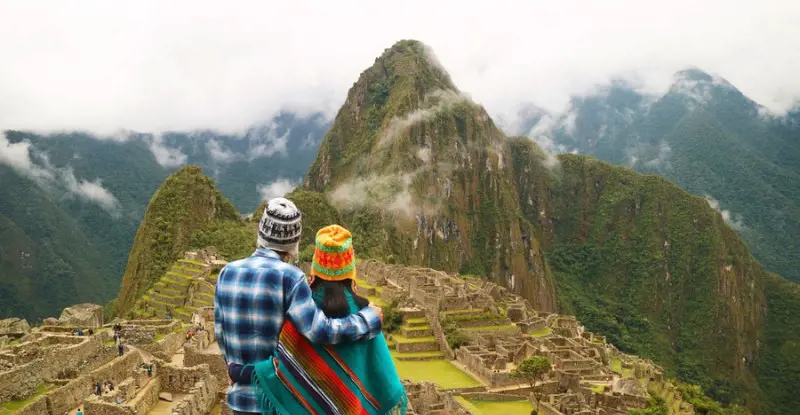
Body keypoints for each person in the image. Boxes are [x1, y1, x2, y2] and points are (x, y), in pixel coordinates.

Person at [215, 198, 384, 415]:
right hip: (276, 402)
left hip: (240, 402)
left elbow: (220, 333)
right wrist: (367, 320)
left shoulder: (226, 272)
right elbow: (320, 331)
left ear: (260, 233)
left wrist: (234, 369)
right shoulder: (291, 278)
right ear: (293, 243)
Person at [251, 225, 407, 415]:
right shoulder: (368, 315)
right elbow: (385, 382)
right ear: (351, 268)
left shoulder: (300, 312)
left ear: (316, 266)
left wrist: (248, 371)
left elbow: (282, 370)